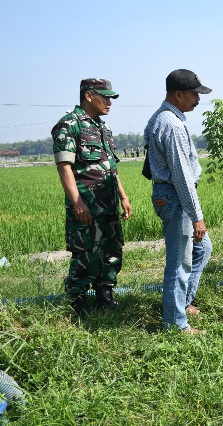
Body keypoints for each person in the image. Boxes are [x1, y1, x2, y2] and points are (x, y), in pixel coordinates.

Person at [51, 78, 132, 316]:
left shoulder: (102, 127)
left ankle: (104, 293)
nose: (109, 102)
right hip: (86, 204)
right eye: (105, 97)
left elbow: (110, 167)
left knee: (112, 250)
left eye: (110, 98)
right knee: (86, 253)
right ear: (88, 96)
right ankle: (77, 299)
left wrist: (124, 197)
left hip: (109, 203)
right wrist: (77, 203)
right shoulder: (69, 125)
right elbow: (64, 167)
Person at [144, 69, 213, 334]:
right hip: (175, 197)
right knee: (179, 262)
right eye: (195, 94)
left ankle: (181, 303)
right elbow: (182, 176)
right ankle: (175, 323)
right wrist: (196, 215)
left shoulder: (166, 118)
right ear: (179, 94)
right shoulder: (170, 124)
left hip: (172, 196)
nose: (198, 99)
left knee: (202, 248)